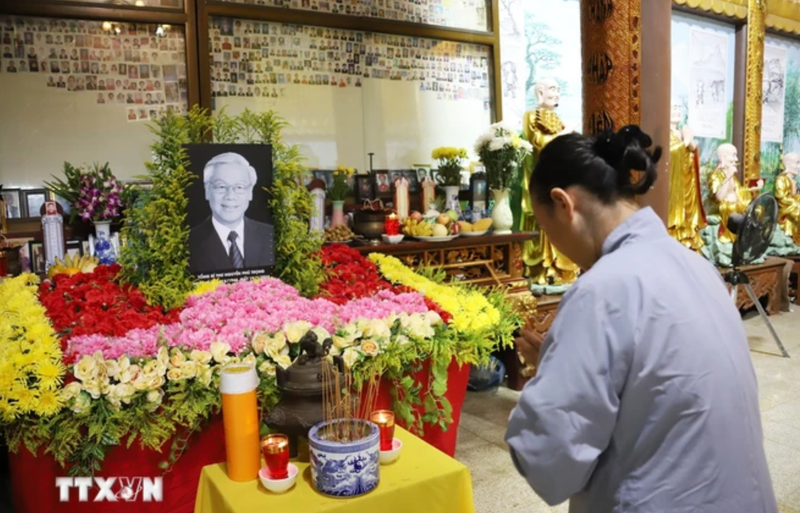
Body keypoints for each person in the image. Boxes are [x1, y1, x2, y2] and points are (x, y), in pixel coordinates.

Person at [505, 126, 777, 513]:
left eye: (545, 228)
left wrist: (546, 381)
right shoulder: (697, 266)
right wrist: (562, 363)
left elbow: (551, 461)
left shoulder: (600, 291)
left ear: (564, 204)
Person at [189, 152, 274, 275]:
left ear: (250, 192)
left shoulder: (270, 236)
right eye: (221, 186)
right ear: (207, 190)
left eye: (239, 187)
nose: (230, 196)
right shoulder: (188, 242)